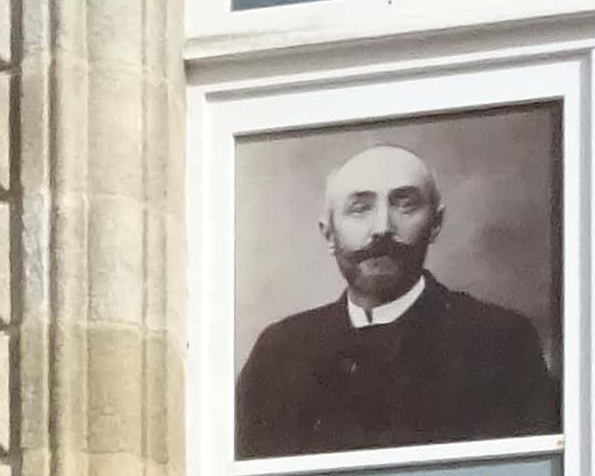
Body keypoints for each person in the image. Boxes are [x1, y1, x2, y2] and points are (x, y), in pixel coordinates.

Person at [234, 138, 562, 458]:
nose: (382, 228)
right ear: (328, 233)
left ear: (436, 223)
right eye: (360, 208)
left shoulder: (501, 342)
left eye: (404, 205)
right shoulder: (278, 353)